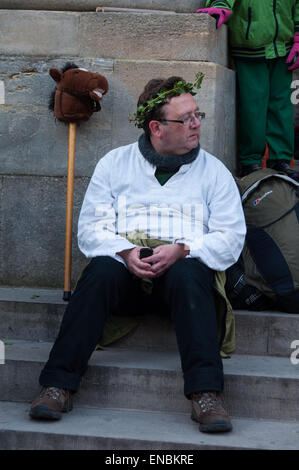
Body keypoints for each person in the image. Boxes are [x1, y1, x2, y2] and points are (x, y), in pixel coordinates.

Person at [29, 75, 246, 434]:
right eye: (186, 118)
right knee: (100, 272)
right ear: (156, 127)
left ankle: (206, 394)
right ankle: (57, 385)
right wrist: (126, 251)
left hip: (182, 285)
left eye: (198, 115)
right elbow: (90, 230)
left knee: (190, 274)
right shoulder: (115, 164)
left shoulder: (215, 172)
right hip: (126, 280)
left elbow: (231, 237)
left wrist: (183, 249)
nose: (196, 124)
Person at [196, 0, 299, 181]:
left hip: (284, 45)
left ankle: (281, 160)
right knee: (253, 107)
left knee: (282, 107)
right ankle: (251, 162)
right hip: (250, 42)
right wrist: (221, 4)